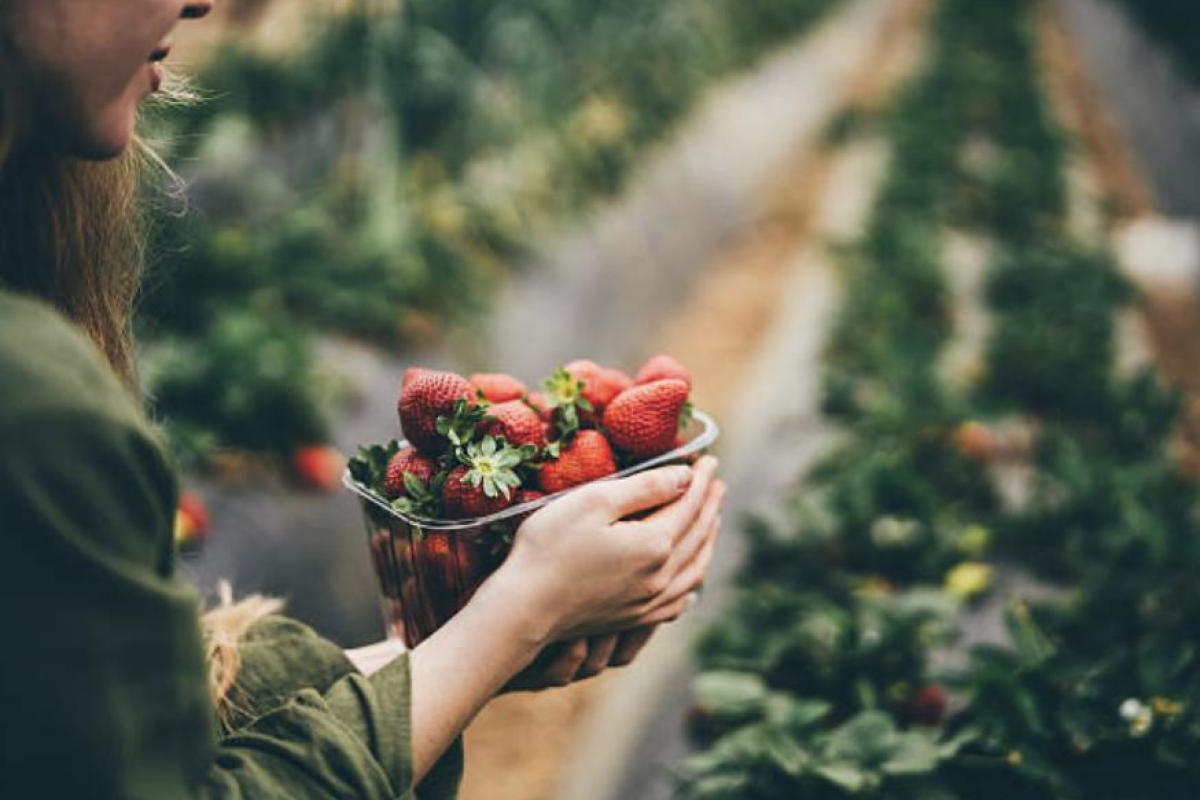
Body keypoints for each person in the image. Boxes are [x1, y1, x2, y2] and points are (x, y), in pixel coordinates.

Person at [0, 1, 726, 797]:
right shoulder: (35, 405)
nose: (203, 2)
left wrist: (484, 642)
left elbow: (87, 748)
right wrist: (518, 613)